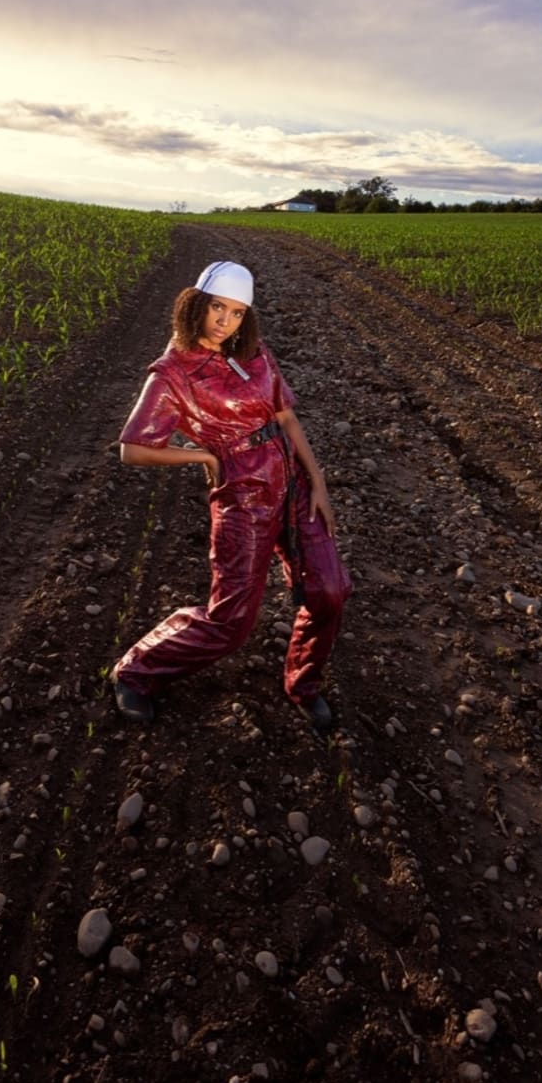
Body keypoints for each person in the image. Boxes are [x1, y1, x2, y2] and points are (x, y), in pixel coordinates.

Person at [112, 259, 351, 731]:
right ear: (196, 304)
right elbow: (133, 449)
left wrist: (318, 483)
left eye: (238, 312)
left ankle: (303, 684)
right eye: (218, 307)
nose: (226, 321)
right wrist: (201, 458)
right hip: (244, 495)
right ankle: (137, 671)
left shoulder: (253, 353)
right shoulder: (171, 374)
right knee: (231, 622)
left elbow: (285, 418)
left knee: (331, 591)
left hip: (293, 483)